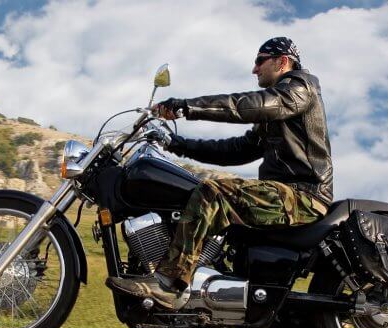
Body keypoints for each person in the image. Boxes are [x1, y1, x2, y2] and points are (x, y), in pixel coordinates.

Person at [106, 37, 333, 309]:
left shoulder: (299, 89)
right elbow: (236, 150)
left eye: (260, 61)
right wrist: (177, 144)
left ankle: (170, 283)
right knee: (201, 189)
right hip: (284, 192)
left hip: (302, 195)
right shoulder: (278, 110)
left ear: (282, 62)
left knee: (213, 192)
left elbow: (245, 105)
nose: (254, 69)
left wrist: (186, 107)